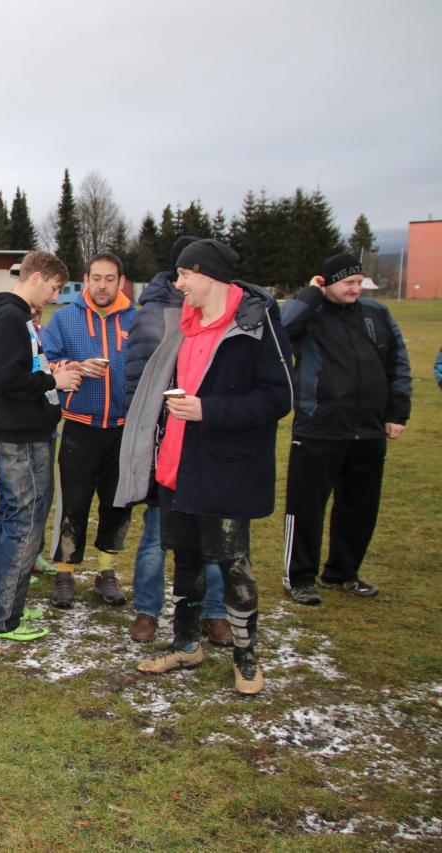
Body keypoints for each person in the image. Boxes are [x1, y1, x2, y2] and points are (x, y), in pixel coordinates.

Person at [122, 239, 292, 695]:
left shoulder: (255, 326)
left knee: (233, 563)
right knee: (186, 558)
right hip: (178, 465)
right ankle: (185, 644)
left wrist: (208, 410)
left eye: (184, 275)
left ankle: (246, 658)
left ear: (209, 275)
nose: (177, 284)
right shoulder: (183, 323)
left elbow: (279, 398)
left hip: (226, 470)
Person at [280, 252, 411, 604]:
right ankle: (299, 577)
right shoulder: (309, 312)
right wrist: (310, 294)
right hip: (319, 427)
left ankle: (342, 572)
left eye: (358, 282)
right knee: (306, 507)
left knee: (359, 507)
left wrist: (397, 412)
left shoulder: (376, 313)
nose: (355, 288)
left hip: (368, 428)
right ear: (325, 282)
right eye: (347, 282)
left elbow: (397, 362)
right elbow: (281, 328)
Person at [120, 237, 231, 646]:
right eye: (182, 272)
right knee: (156, 533)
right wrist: (142, 436)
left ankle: (214, 613)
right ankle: (147, 610)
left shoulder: (222, 315)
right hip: (163, 445)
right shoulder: (152, 316)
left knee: (213, 537)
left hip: (208, 443)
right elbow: (136, 382)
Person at [0, 250, 81, 642]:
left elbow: (21, 369)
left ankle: (8, 605)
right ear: (36, 277)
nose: (54, 296)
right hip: (21, 438)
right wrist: (54, 382)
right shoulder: (9, 317)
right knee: (22, 527)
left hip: (28, 432)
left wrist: (52, 372)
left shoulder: (17, 316)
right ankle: (4, 617)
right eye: (54, 287)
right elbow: (5, 378)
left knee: (14, 523)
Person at [40, 252, 136, 609]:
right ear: (86, 279)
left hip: (122, 429)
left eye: (110, 278)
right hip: (80, 427)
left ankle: (106, 572)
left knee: (117, 503)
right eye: (96, 278)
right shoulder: (65, 318)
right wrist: (76, 367)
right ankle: (65, 572)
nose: (102, 285)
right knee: (73, 504)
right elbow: (46, 361)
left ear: (120, 282)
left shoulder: (137, 319)